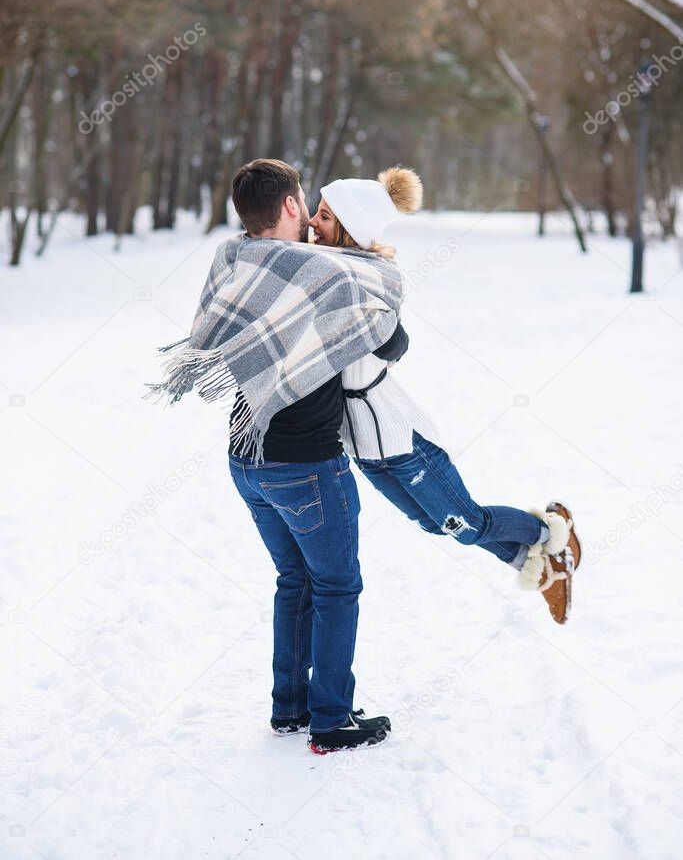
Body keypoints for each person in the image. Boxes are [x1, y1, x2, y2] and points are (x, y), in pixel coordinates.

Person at [146, 159, 408, 753]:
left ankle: (289, 709)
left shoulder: (233, 260)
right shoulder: (320, 273)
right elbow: (389, 334)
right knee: (337, 588)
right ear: (289, 206)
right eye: (305, 204)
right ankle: (331, 720)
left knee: (295, 581)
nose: (313, 219)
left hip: (246, 456)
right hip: (307, 465)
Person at [310, 166, 581, 625]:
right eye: (316, 214)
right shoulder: (329, 271)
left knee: (464, 522)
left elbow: (382, 333)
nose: (314, 224)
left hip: (402, 439)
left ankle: (551, 535)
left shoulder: (366, 279)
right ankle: (538, 565)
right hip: (365, 448)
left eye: (325, 217)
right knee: (439, 523)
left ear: (351, 233)